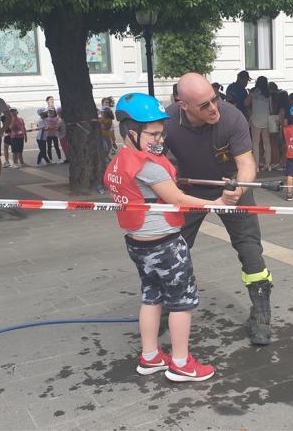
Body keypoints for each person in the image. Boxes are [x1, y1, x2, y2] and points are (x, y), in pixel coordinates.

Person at [104, 93, 218, 382]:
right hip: (165, 245)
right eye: (153, 133)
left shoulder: (119, 162)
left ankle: (150, 356)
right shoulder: (149, 166)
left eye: (161, 132)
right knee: (181, 303)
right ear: (131, 131)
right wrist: (217, 204)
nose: (159, 138)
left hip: (137, 243)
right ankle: (181, 363)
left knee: (151, 296)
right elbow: (176, 198)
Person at [164, 73, 274, 346]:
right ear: (183, 105)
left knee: (250, 248)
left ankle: (260, 312)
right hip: (189, 190)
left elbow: (247, 164)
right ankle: (164, 304)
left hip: (232, 188)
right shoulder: (167, 121)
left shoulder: (232, 116)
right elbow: (151, 159)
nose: (213, 108)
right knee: (171, 246)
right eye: (204, 105)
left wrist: (238, 189)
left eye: (214, 99)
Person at [245, 76, 273, 171]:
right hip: (267, 120)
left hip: (256, 119)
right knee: (267, 142)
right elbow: (271, 108)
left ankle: (256, 166)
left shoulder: (253, 93)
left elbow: (245, 103)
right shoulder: (268, 94)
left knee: (255, 143)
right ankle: (268, 164)